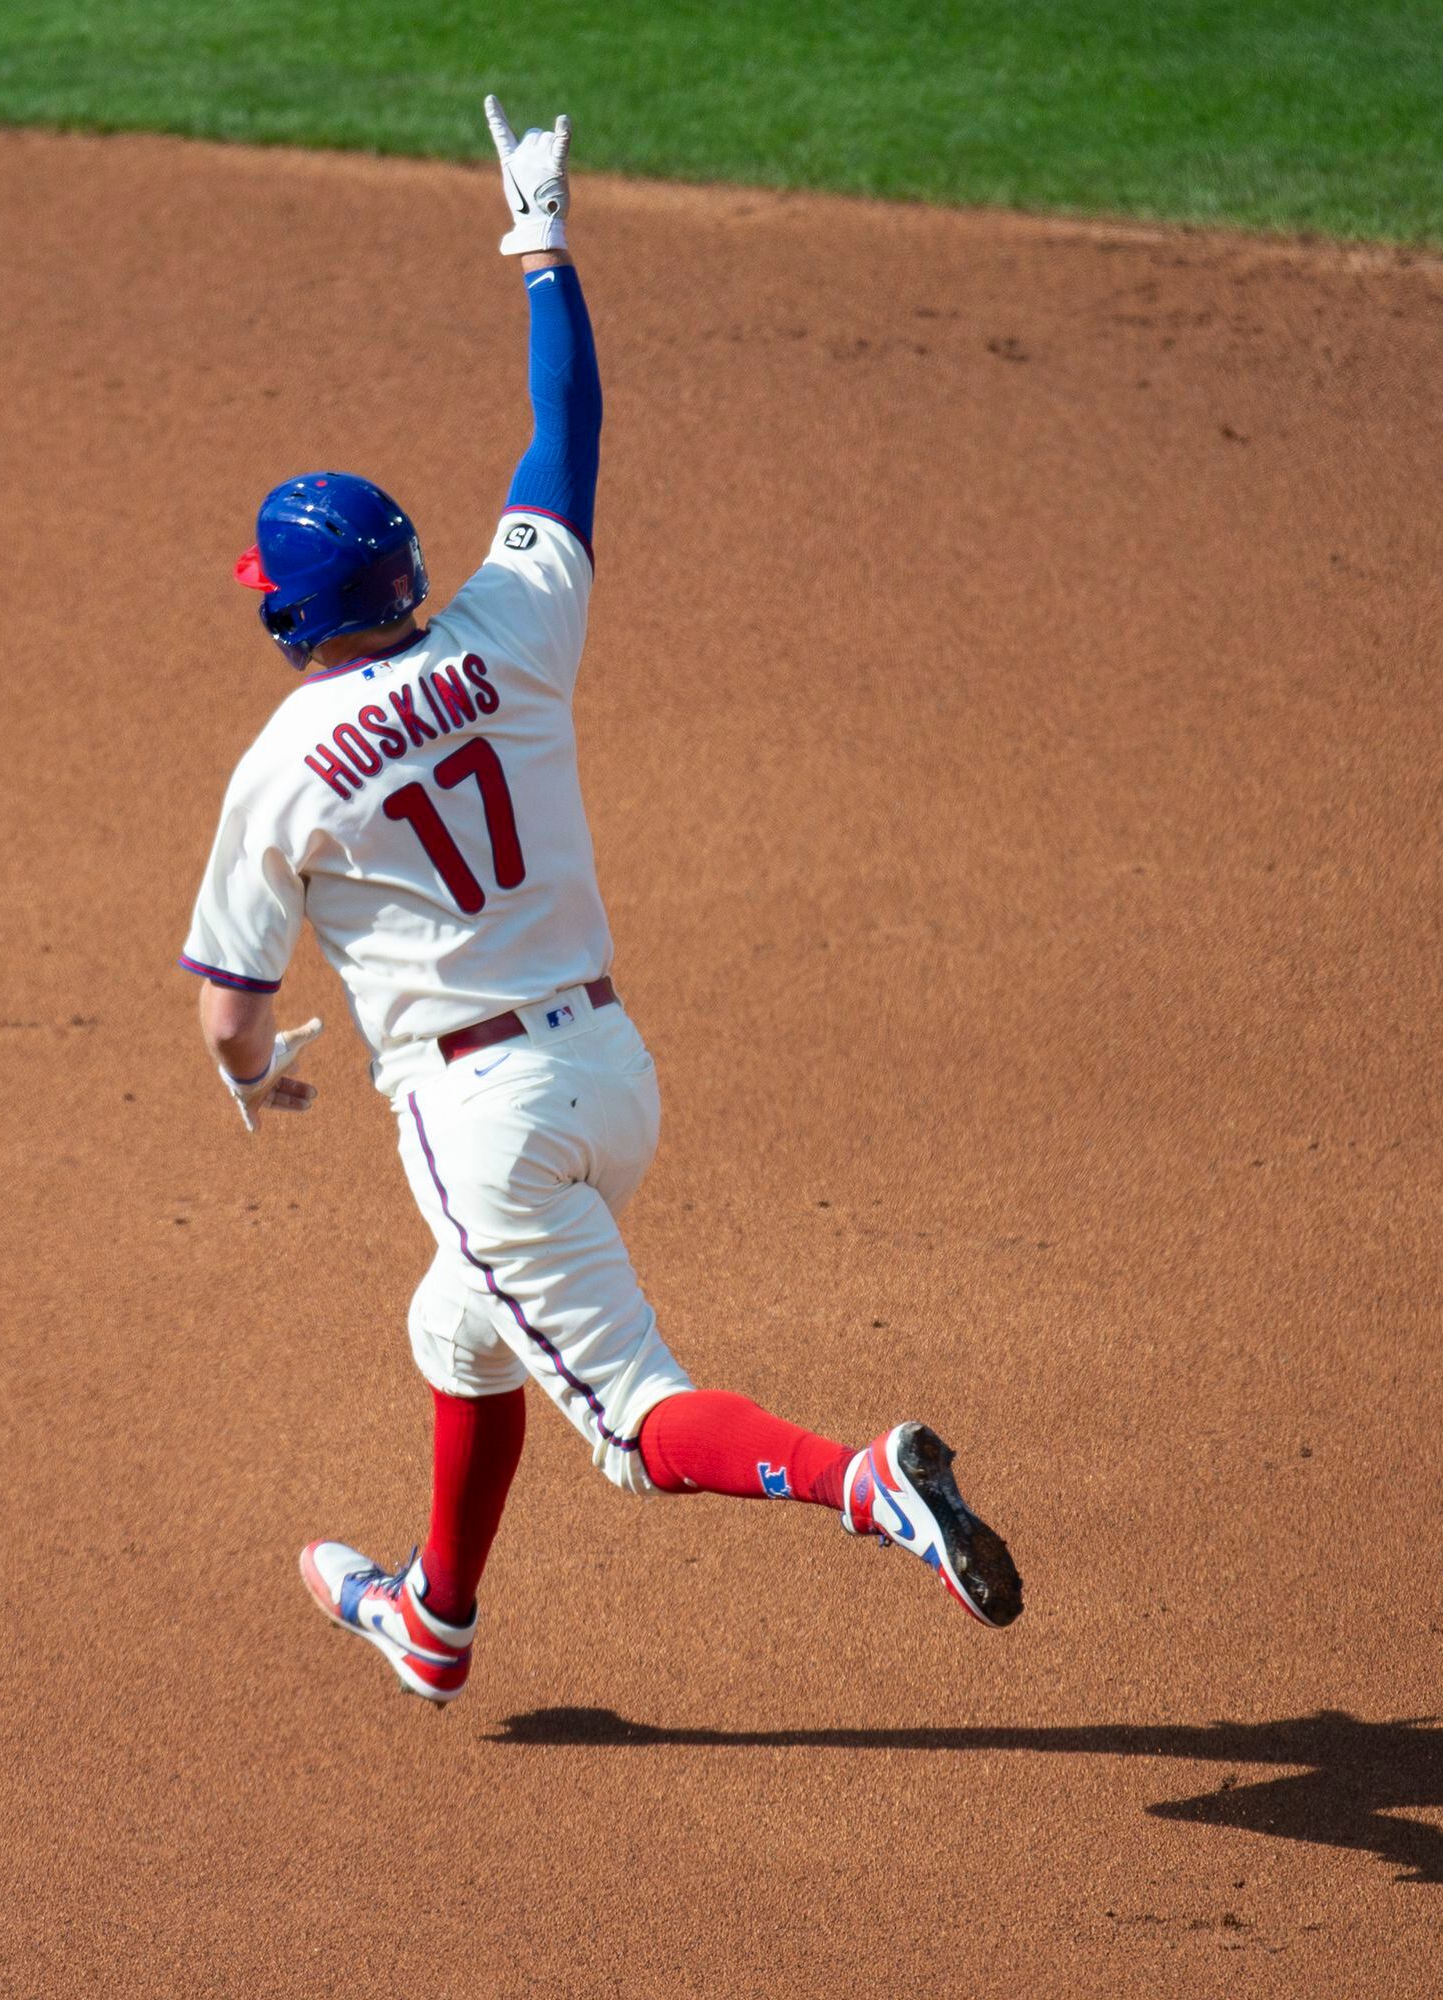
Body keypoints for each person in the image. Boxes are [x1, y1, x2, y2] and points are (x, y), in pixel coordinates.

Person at [179, 98, 1021, 1703]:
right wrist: (540, 236)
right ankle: (434, 1619)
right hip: (613, 1081)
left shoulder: (281, 767)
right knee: (461, 1333)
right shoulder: (513, 623)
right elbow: (566, 437)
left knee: (637, 1426)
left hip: (480, 1119)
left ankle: (870, 1488)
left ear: (286, 613)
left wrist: (258, 1074)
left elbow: (229, 1013)